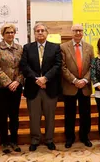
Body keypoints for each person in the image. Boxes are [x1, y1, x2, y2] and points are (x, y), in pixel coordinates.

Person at [20, 23, 62, 151]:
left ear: (47, 33)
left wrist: (45, 78)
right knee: (34, 116)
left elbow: (58, 65)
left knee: (50, 116)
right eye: (37, 31)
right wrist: (36, 79)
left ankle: (49, 139)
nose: (40, 33)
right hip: (33, 87)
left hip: (50, 87)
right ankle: (35, 139)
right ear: (34, 33)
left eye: (42, 30)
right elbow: (24, 65)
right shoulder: (27, 47)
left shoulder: (55, 47)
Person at [0, 23, 24, 153]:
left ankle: (14, 141)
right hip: (1, 88)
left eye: (12, 32)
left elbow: (23, 68)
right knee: (3, 115)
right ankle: (4, 142)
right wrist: (8, 82)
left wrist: (17, 82)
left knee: (14, 115)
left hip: (16, 87)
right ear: (3, 34)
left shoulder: (20, 48)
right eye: (7, 32)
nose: (10, 34)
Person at [60, 24, 94, 148]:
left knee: (86, 114)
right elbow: (62, 67)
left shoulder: (89, 48)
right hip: (70, 86)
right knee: (70, 114)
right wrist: (74, 80)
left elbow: (92, 66)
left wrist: (85, 80)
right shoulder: (63, 47)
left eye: (80, 30)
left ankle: (85, 136)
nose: (78, 33)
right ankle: (70, 137)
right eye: (75, 31)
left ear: (83, 32)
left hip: (85, 87)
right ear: (71, 32)